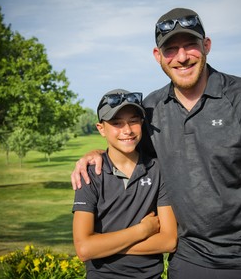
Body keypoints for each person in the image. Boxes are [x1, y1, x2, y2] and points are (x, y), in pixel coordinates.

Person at [71, 8, 241, 279]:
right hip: (187, 260)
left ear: (207, 46)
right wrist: (96, 153)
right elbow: (125, 143)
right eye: (171, 49)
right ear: (158, 57)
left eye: (190, 45)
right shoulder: (151, 109)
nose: (182, 57)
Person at [72, 88, 177, 279]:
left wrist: (103, 246)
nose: (127, 130)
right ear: (101, 128)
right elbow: (85, 249)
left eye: (133, 121)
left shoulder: (158, 170)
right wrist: (142, 230)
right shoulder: (89, 175)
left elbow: (169, 241)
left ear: (142, 123)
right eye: (116, 123)